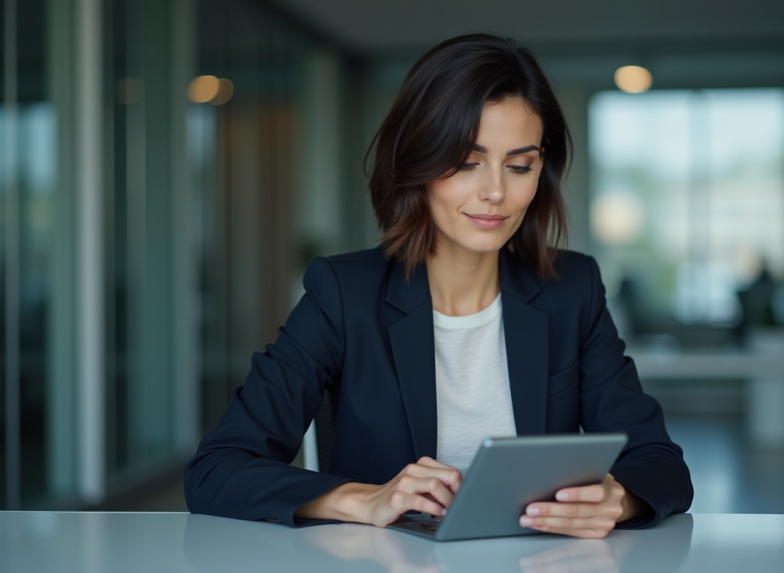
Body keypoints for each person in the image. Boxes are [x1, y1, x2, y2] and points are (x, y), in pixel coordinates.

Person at [185, 33, 693, 539]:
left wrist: (619, 499)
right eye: (467, 161)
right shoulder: (344, 293)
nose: (495, 191)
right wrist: (362, 498)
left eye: (519, 166)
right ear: (418, 163)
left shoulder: (571, 290)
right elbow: (217, 469)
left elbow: (660, 463)